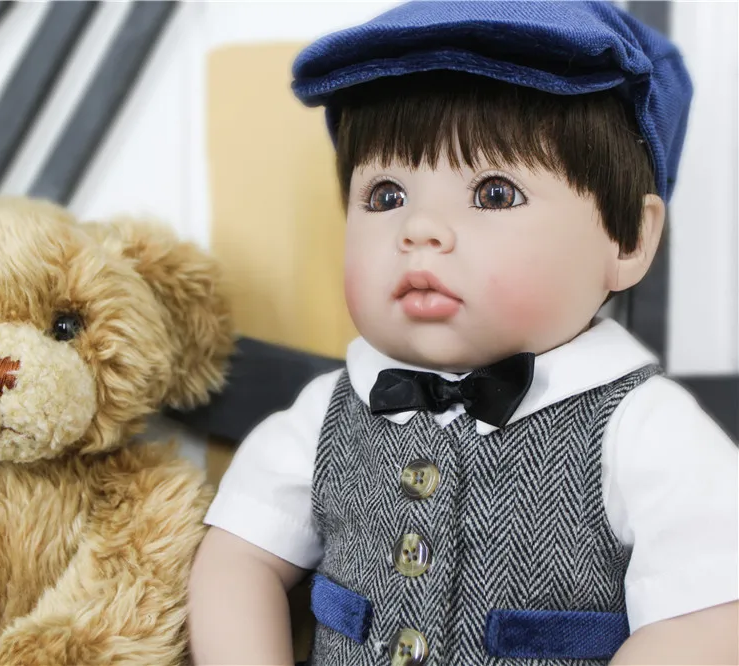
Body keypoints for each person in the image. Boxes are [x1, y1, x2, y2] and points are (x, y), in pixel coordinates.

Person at [187, 2, 739, 665]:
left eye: (494, 193)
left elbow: (710, 617)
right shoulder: (327, 414)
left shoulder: (644, 431)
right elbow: (238, 557)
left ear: (627, 239)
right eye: (386, 196)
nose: (419, 229)